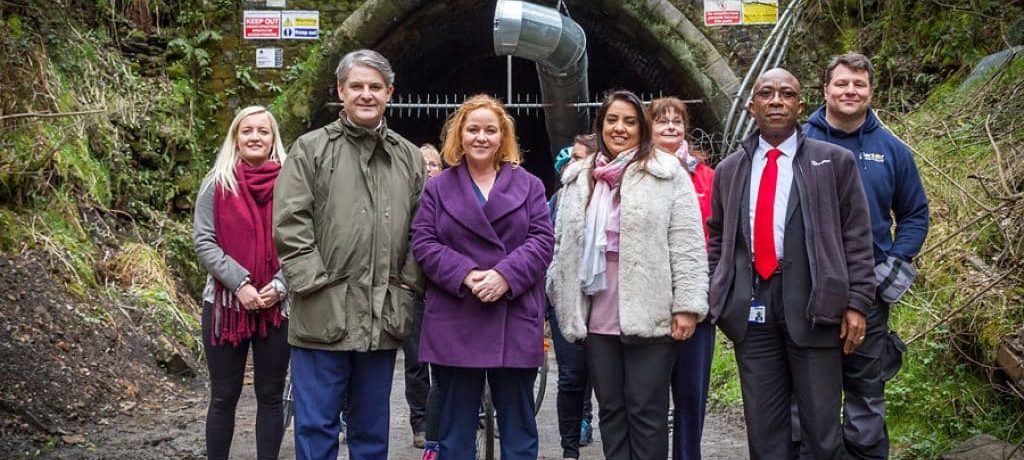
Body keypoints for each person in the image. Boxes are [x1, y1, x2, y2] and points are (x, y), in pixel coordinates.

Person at [705, 68, 876, 460]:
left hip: (815, 307)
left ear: (801, 104)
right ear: (752, 106)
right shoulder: (731, 170)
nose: (777, 100)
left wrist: (857, 301)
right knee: (765, 431)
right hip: (752, 308)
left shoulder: (834, 162)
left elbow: (857, 236)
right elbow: (717, 235)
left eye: (787, 93)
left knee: (821, 430)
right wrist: (721, 292)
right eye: (767, 93)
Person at [273, 49, 426, 460]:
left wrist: (406, 289)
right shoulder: (310, 150)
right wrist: (315, 287)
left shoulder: (409, 157)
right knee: (317, 427)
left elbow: (422, 232)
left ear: (389, 93)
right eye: (356, 86)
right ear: (341, 91)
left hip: (382, 315)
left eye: (375, 87)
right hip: (322, 316)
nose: (365, 94)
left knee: (372, 432)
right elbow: (290, 224)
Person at [547, 90, 709, 460]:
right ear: (600, 125)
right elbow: (562, 245)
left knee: (646, 410)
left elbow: (687, 244)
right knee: (612, 410)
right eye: (612, 120)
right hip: (598, 312)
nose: (620, 128)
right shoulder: (578, 179)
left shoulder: (668, 175)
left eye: (630, 121)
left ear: (643, 128)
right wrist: (559, 292)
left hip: (651, 310)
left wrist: (687, 305)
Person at [411, 94, 554, 460]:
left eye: (491, 130)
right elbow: (424, 242)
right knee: (456, 430)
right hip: (458, 313)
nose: (481, 137)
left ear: (502, 137)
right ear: (459, 136)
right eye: (473, 129)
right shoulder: (437, 188)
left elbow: (542, 240)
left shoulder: (530, 186)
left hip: (513, 311)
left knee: (519, 427)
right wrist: (467, 274)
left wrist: (505, 276)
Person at [801, 52, 929, 459]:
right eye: (841, 83)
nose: (850, 91)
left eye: (859, 84)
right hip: (806, 289)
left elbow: (915, 214)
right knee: (808, 396)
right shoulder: (799, 142)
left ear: (871, 91)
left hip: (868, 289)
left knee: (865, 393)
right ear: (825, 90)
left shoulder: (891, 150)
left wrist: (896, 261)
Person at [193, 105, 290, 460]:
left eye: (263, 131)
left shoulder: (292, 184)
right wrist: (240, 284)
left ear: (273, 138)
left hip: (276, 304)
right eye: (247, 130)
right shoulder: (216, 183)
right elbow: (204, 240)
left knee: (270, 394)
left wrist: (279, 286)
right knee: (223, 396)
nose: (255, 137)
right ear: (236, 136)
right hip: (225, 305)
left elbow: (305, 241)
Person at [646, 96, 716, 460]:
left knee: (691, 395)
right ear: (650, 128)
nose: (671, 126)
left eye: (677, 120)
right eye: (662, 121)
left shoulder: (707, 176)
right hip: (650, 303)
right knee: (649, 397)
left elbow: (719, 235)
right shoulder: (637, 172)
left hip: (697, 299)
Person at [548, 133, 599, 460]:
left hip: (606, 298)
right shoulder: (560, 197)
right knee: (570, 375)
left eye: (580, 157)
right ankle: (569, 449)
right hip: (567, 296)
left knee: (606, 376)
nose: (573, 164)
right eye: (571, 158)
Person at [402, 143, 444, 451]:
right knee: (416, 361)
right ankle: (420, 422)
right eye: (422, 163)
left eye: (433, 163)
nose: (428, 168)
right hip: (414, 291)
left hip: (445, 291)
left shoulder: (449, 196)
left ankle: (452, 418)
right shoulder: (405, 201)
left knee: (448, 361)